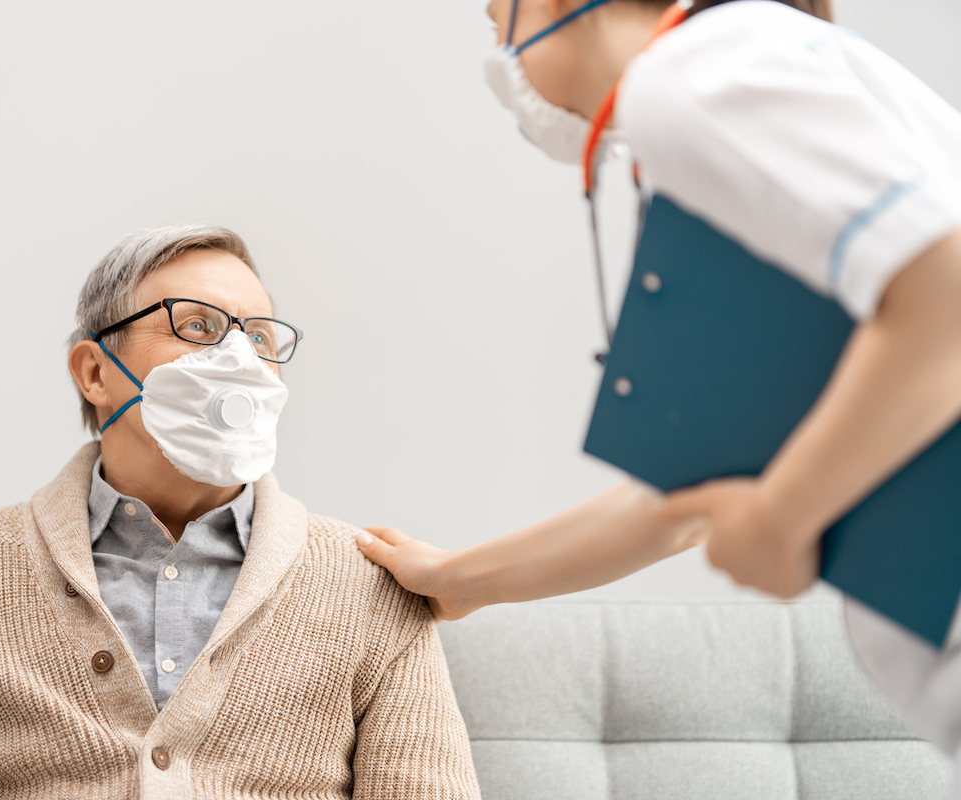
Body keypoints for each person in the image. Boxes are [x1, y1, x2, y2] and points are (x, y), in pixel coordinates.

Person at [356, 0, 961, 780]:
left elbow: (946, 283)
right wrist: (459, 580)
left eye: (492, 20)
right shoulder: (748, 84)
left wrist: (783, 516)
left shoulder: (686, 75)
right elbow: (688, 498)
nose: (500, 51)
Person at [0, 225, 480, 799]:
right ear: (95, 372)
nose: (238, 361)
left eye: (258, 337)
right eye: (197, 326)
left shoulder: (370, 583)